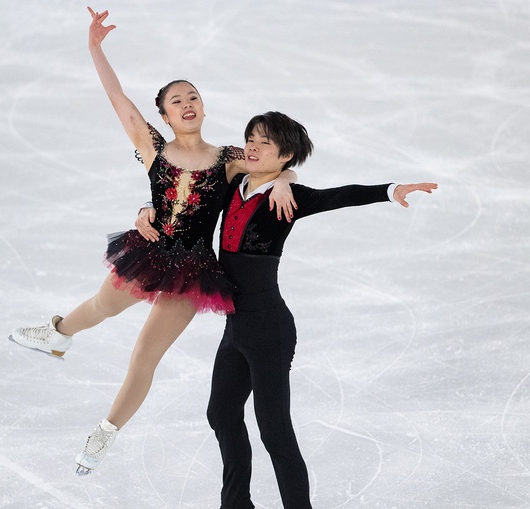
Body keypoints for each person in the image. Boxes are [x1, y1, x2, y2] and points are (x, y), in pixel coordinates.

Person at [7, 8, 298, 476]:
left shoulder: (228, 157)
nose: (187, 104)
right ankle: (59, 334)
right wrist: (95, 49)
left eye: (194, 97)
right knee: (101, 308)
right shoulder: (153, 147)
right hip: (149, 251)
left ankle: (104, 433)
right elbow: (117, 98)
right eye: (176, 100)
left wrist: (285, 178)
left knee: (144, 356)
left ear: (203, 108)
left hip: (196, 272)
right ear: (162, 114)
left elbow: (274, 160)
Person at [136, 111, 437, 507]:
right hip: (236, 327)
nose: (253, 147)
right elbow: (185, 193)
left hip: (268, 330)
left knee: (274, 432)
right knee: (221, 414)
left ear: (286, 155)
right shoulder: (232, 185)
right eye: (251, 139)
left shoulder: (290, 198)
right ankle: (236, 503)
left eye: (266, 143)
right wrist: (147, 207)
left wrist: (390, 188)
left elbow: (340, 195)